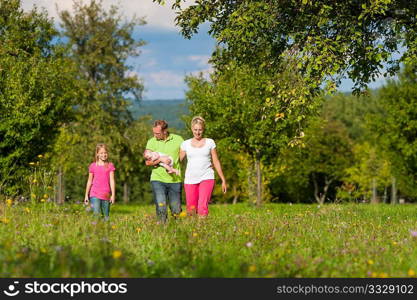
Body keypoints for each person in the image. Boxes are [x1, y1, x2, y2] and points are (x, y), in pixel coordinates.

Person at [180, 116, 227, 217]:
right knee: (191, 209)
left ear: (203, 129)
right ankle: (193, 231)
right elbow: (177, 160)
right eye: (195, 129)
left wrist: (223, 179)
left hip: (207, 177)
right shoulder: (185, 144)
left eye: (200, 130)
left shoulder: (210, 142)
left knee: (202, 207)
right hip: (190, 179)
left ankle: (202, 229)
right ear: (191, 129)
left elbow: (216, 161)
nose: (197, 132)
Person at [145, 120, 184, 223]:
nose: (155, 135)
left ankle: (178, 230)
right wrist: (160, 160)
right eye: (154, 133)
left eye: (157, 133)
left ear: (165, 131)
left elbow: (183, 156)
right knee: (161, 205)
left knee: (176, 209)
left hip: (175, 180)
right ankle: (162, 228)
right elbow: (147, 163)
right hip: (158, 179)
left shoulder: (178, 139)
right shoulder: (151, 141)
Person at [84, 143, 116, 221]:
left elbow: (112, 181)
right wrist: (86, 195)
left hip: (106, 195)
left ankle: (105, 232)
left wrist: (113, 195)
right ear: (97, 154)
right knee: (96, 215)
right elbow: (89, 181)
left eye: (105, 153)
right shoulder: (93, 166)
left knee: (106, 217)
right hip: (94, 194)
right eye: (101, 153)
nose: (104, 155)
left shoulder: (110, 165)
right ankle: (96, 231)